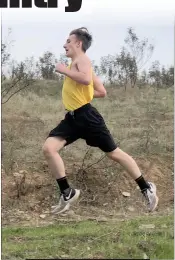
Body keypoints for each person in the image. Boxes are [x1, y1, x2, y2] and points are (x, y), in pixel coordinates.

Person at [42, 27, 159, 214]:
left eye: (68, 41)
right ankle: (67, 192)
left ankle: (147, 188)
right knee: (49, 148)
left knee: (114, 153)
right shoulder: (78, 64)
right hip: (72, 118)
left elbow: (86, 79)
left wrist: (64, 70)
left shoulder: (82, 60)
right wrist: (82, 94)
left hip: (87, 118)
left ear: (78, 44)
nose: (65, 45)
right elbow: (101, 91)